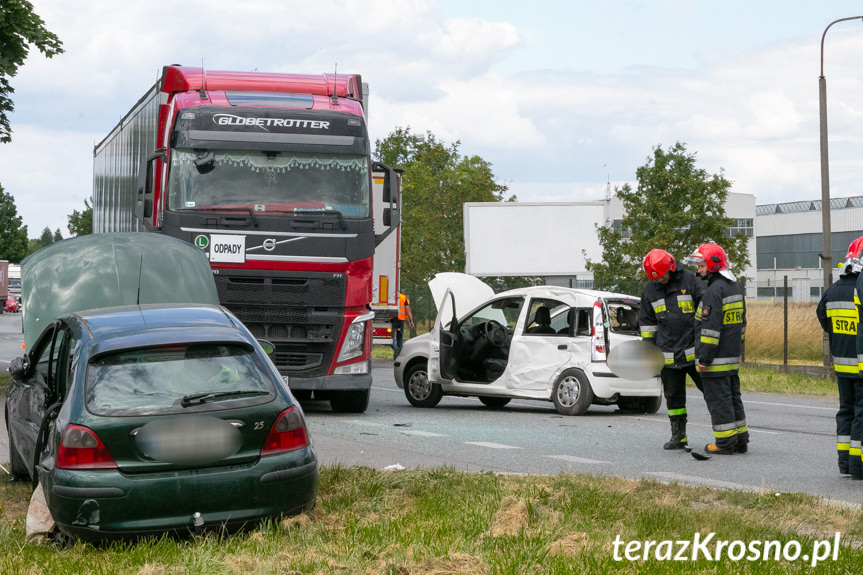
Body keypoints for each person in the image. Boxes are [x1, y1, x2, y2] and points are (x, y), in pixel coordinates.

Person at [639, 249, 706, 449]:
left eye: (662, 276)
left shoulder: (691, 281)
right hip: (667, 357)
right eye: (656, 277)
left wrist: (705, 347)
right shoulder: (650, 290)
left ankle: (723, 435)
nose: (660, 280)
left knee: (712, 393)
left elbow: (707, 313)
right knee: (673, 399)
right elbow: (647, 325)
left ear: (671, 267)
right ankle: (679, 436)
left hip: (695, 354)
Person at [686, 242, 749, 455]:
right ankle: (740, 440)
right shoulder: (735, 287)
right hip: (731, 356)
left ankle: (724, 443)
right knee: (733, 398)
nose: (699, 270)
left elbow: (709, 330)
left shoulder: (714, 292)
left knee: (719, 401)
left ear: (713, 265)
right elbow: (741, 323)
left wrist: (703, 359)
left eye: (702, 266)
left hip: (715, 359)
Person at [823, 236, 863, 477]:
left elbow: (823, 318)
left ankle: (844, 463)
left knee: (845, 411)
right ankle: (858, 466)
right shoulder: (860, 287)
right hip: (859, 363)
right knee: (860, 413)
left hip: (841, 362)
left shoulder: (833, 290)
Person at [391, 291, 415, 358]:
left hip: (392, 320)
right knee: (400, 337)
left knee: (390, 337)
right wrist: (411, 321)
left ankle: (395, 348)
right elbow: (408, 310)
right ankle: (399, 355)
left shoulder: (389, 297)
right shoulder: (403, 297)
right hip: (400, 320)